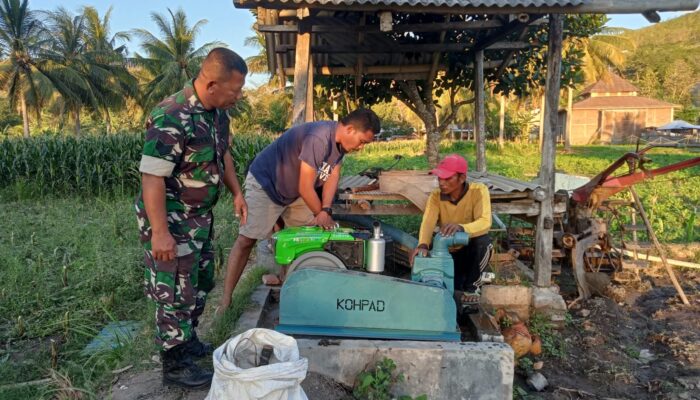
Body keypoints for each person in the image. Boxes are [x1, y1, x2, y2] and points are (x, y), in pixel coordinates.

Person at [135, 48, 247, 388]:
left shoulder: (217, 113)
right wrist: (160, 234)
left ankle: (188, 341)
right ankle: (174, 365)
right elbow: (152, 176)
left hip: (199, 218)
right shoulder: (172, 114)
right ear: (212, 84)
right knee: (174, 292)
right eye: (235, 89)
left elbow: (222, 153)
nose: (238, 96)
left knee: (198, 283)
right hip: (171, 220)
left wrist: (237, 192)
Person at [219, 109, 381, 310]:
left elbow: (332, 177)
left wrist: (326, 210)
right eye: (363, 142)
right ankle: (225, 300)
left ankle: (289, 289)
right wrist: (319, 213)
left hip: (296, 192)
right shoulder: (319, 138)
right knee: (247, 239)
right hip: (267, 184)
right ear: (349, 129)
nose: (361, 148)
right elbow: (306, 187)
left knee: (305, 240)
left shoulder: (340, 147)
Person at [410, 154, 493, 304]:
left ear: (461, 178)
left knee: (483, 242)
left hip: (468, 252)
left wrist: (462, 227)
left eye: (447, 179)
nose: (442, 183)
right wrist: (422, 245)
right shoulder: (436, 196)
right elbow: (428, 221)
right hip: (446, 253)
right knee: (449, 291)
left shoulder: (479, 191)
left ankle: (472, 288)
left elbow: (485, 222)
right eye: (440, 178)